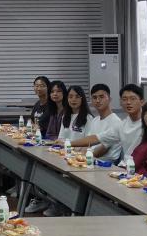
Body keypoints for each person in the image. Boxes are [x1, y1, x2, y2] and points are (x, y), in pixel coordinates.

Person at [25, 81, 69, 215]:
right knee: (33, 159)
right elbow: (50, 133)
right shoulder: (54, 111)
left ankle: (56, 202)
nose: (55, 94)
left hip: (65, 149)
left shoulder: (67, 111)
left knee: (43, 165)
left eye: (58, 91)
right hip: (53, 145)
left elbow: (64, 136)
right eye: (53, 92)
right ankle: (43, 198)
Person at [93, 83, 144, 163]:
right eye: (124, 99)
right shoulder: (122, 124)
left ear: (142, 101)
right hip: (126, 166)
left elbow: (103, 148)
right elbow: (96, 138)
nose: (128, 102)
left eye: (132, 99)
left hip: (140, 167)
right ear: (120, 102)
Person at [70, 84, 123, 154]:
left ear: (109, 99)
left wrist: (79, 153)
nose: (98, 100)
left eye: (101, 97)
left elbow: (99, 152)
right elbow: (88, 144)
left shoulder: (116, 122)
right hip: (89, 157)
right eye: (94, 97)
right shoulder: (95, 120)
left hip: (104, 160)